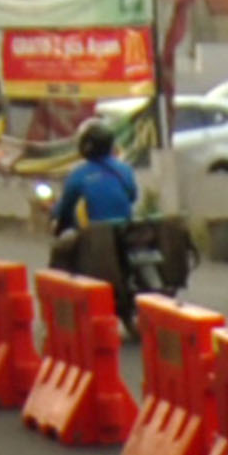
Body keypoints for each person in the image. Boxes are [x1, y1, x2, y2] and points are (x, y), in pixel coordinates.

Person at [47, 116, 145, 314]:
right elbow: (133, 196)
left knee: (61, 249)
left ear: (86, 146)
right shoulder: (124, 169)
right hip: (125, 230)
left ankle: (59, 305)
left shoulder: (79, 174)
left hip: (94, 233)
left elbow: (65, 206)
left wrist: (55, 218)